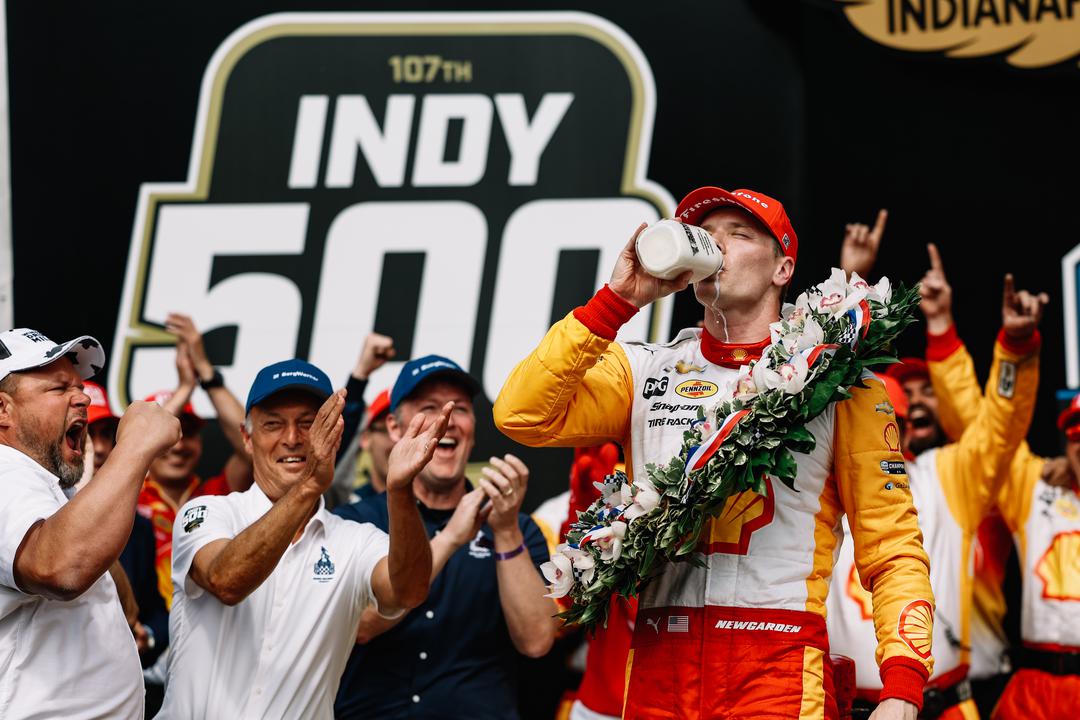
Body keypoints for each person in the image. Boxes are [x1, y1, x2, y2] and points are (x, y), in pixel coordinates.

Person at [495, 186, 934, 720]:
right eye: (707, 234)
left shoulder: (841, 385)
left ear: (782, 269)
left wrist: (903, 686)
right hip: (660, 665)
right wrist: (618, 300)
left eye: (740, 234)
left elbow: (892, 548)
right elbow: (520, 414)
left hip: (778, 669)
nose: (716, 245)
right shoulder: (642, 370)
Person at [156, 358, 435, 719]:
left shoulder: (356, 540)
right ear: (247, 437)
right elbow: (226, 581)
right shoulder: (208, 512)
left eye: (308, 424)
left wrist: (399, 491)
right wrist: (309, 485)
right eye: (273, 424)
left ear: (334, 433)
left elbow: (408, 591)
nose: (292, 439)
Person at [827, 275, 1044, 719]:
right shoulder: (817, 484)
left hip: (943, 706)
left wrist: (1015, 350)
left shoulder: (945, 475)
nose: (872, 437)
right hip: (842, 707)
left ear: (904, 429)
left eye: (889, 424)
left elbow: (1000, 431)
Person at [334, 354, 557, 720]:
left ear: (473, 427)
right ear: (394, 427)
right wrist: (451, 537)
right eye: (430, 408)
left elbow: (536, 642)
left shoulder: (515, 527)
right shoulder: (355, 522)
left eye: (461, 409)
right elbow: (360, 627)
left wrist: (504, 532)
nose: (446, 421)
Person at [0, 327, 179, 719]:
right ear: (3, 410)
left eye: (79, 386)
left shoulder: (42, 489)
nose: (81, 397)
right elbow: (60, 567)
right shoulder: (4, 471)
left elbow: (127, 608)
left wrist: (79, 500)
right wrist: (134, 447)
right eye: (59, 388)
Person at [138, 315, 253, 608]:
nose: (177, 445)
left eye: (187, 433)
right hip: (141, 636)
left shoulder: (215, 494)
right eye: (170, 433)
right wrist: (185, 388)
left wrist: (205, 372)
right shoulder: (126, 494)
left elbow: (251, 444)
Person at [328, 332, 396, 509]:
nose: (399, 439)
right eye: (389, 429)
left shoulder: (439, 507)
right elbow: (330, 454)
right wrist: (360, 375)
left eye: (408, 428)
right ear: (365, 438)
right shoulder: (350, 505)